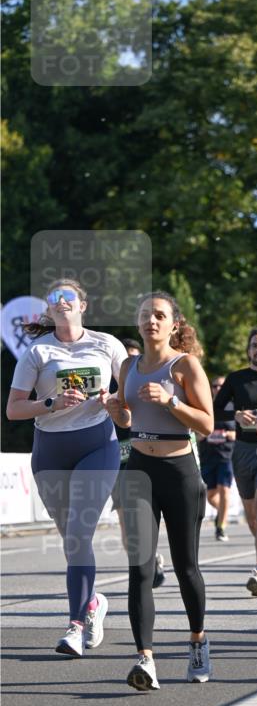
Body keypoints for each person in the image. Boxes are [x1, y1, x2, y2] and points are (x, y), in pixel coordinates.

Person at [6, 278, 125, 656]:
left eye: (67, 296)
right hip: (50, 452)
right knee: (73, 541)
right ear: (48, 309)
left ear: (83, 305)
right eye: (53, 298)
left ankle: (75, 624)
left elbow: (131, 393)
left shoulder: (107, 344)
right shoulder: (37, 352)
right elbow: (13, 410)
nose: (60, 302)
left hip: (97, 445)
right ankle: (93, 604)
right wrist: (50, 404)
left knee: (77, 534)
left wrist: (115, 400)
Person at [106, 291, 214, 690]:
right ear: (137, 323)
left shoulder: (185, 365)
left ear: (174, 325)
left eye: (159, 315)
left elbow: (206, 424)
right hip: (139, 469)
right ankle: (145, 658)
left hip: (180, 470)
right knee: (140, 567)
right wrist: (117, 412)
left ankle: (198, 642)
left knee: (186, 566)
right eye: (145, 315)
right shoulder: (128, 366)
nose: (151, 321)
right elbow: (127, 416)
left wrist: (171, 401)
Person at [213, 329, 257, 597]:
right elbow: (215, 409)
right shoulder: (237, 379)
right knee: (252, 517)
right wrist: (236, 415)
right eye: (254, 345)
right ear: (249, 350)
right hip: (242, 450)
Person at [109, 338, 166, 588]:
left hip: (147, 460)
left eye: (134, 359)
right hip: (119, 465)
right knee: (126, 522)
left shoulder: (149, 386)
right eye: (125, 361)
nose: (129, 365)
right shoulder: (112, 391)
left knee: (146, 519)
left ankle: (151, 557)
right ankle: (143, 563)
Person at [199, 375, 236, 541]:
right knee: (211, 496)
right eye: (215, 386)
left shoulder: (232, 407)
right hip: (208, 457)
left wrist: (226, 434)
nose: (218, 389)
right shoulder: (204, 406)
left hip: (226, 456)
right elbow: (197, 432)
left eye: (221, 386)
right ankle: (223, 513)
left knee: (224, 489)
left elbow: (240, 433)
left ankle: (221, 527)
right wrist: (206, 434)